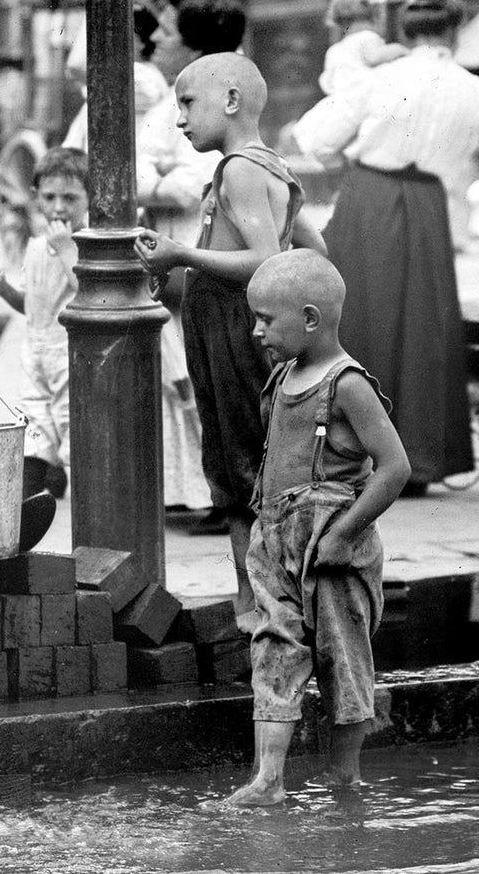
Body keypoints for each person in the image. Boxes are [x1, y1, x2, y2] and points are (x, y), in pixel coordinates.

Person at [292, 0, 479, 491]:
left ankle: (346, 454)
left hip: (369, 198)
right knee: (424, 327)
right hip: (428, 206)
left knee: (358, 318)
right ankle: (415, 458)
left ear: (406, 32)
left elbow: (315, 141)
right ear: (455, 31)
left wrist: (346, 157)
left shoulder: (380, 79)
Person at [226, 249, 409, 806]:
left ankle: (345, 778)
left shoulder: (346, 385)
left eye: (266, 319)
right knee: (274, 647)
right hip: (278, 542)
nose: (256, 331)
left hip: (332, 552)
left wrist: (343, 534)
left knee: (342, 662)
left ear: (310, 319)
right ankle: (268, 780)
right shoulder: (282, 378)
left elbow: (395, 467)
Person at [133, 54, 305, 626]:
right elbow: (314, 255)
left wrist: (183, 253)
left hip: (235, 334)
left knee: (238, 463)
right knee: (251, 456)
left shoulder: (238, 170)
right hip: (227, 329)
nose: (179, 119)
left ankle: (254, 598)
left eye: (187, 103)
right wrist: (181, 279)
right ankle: (267, 591)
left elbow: (266, 259)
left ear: (231, 101)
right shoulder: (269, 167)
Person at [0, 147, 87, 512]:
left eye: (69, 198)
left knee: (72, 422)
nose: (58, 207)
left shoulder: (83, 246)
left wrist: (66, 249)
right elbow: (31, 304)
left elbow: (87, 288)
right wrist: (3, 287)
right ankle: (35, 484)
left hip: (69, 354)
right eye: (49, 197)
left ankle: (77, 486)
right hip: (36, 350)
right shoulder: (37, 246)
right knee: (34, 419)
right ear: (36, 196)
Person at [318, 0, 407, 98]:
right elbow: (374, 56)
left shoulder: (336, 50)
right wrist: (400, 50)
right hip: (361, 100)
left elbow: (328, 83)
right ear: (374, 16)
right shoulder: (368, 38)